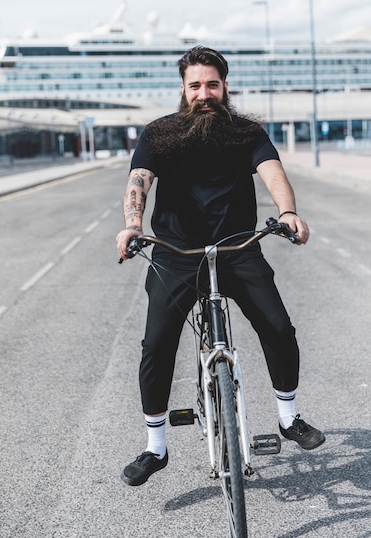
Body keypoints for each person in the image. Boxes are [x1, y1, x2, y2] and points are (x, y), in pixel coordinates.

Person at [116, 46, 325, 487]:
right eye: (195, 85)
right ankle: (156, 447)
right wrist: (132, 225)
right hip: (176, 253)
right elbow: (140, 180)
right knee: (156, 344)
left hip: (238, 248)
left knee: (279, 327)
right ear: (183, 89)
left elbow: (273, 172)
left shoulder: (246, 133)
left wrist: (288, 213)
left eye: (212, 84)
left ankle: (288, 417)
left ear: (224, 86)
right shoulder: (159, 133)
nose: (204, 93)